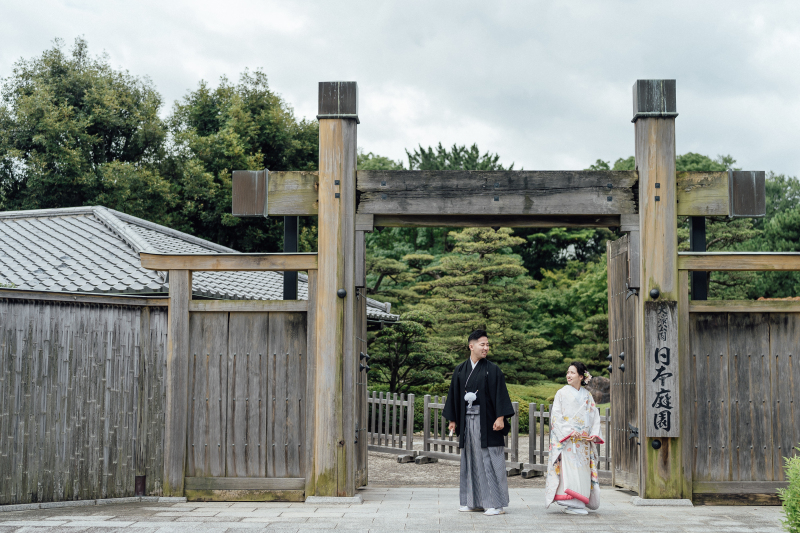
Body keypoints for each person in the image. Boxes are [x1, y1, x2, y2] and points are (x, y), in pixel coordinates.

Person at [443, 330, 516, 516]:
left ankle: (495, 504)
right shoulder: (460, 370)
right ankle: (472, 501)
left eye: (487, 345)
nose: (486, 348)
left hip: (488, 422)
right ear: (471, 346)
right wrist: (453, 419)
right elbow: (454, 395)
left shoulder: (493, 369)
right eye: (482, 344)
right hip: (467, 422)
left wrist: (501, 417)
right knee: (471, 460)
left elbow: (501, 394)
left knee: (490, 460)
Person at [545, 361, 604, 515]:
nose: (568, 375)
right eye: (567, 372)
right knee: (568, 471)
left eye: (572, 373)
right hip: (568, 440)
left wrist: (593, 434)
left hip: (583, 441)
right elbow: (556, 416)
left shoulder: (587, 395)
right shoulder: (562, 393)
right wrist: (570, 432)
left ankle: (579, 501)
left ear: (581, 376)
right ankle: (570, 502)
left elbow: (593, 416)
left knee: (582, 472)